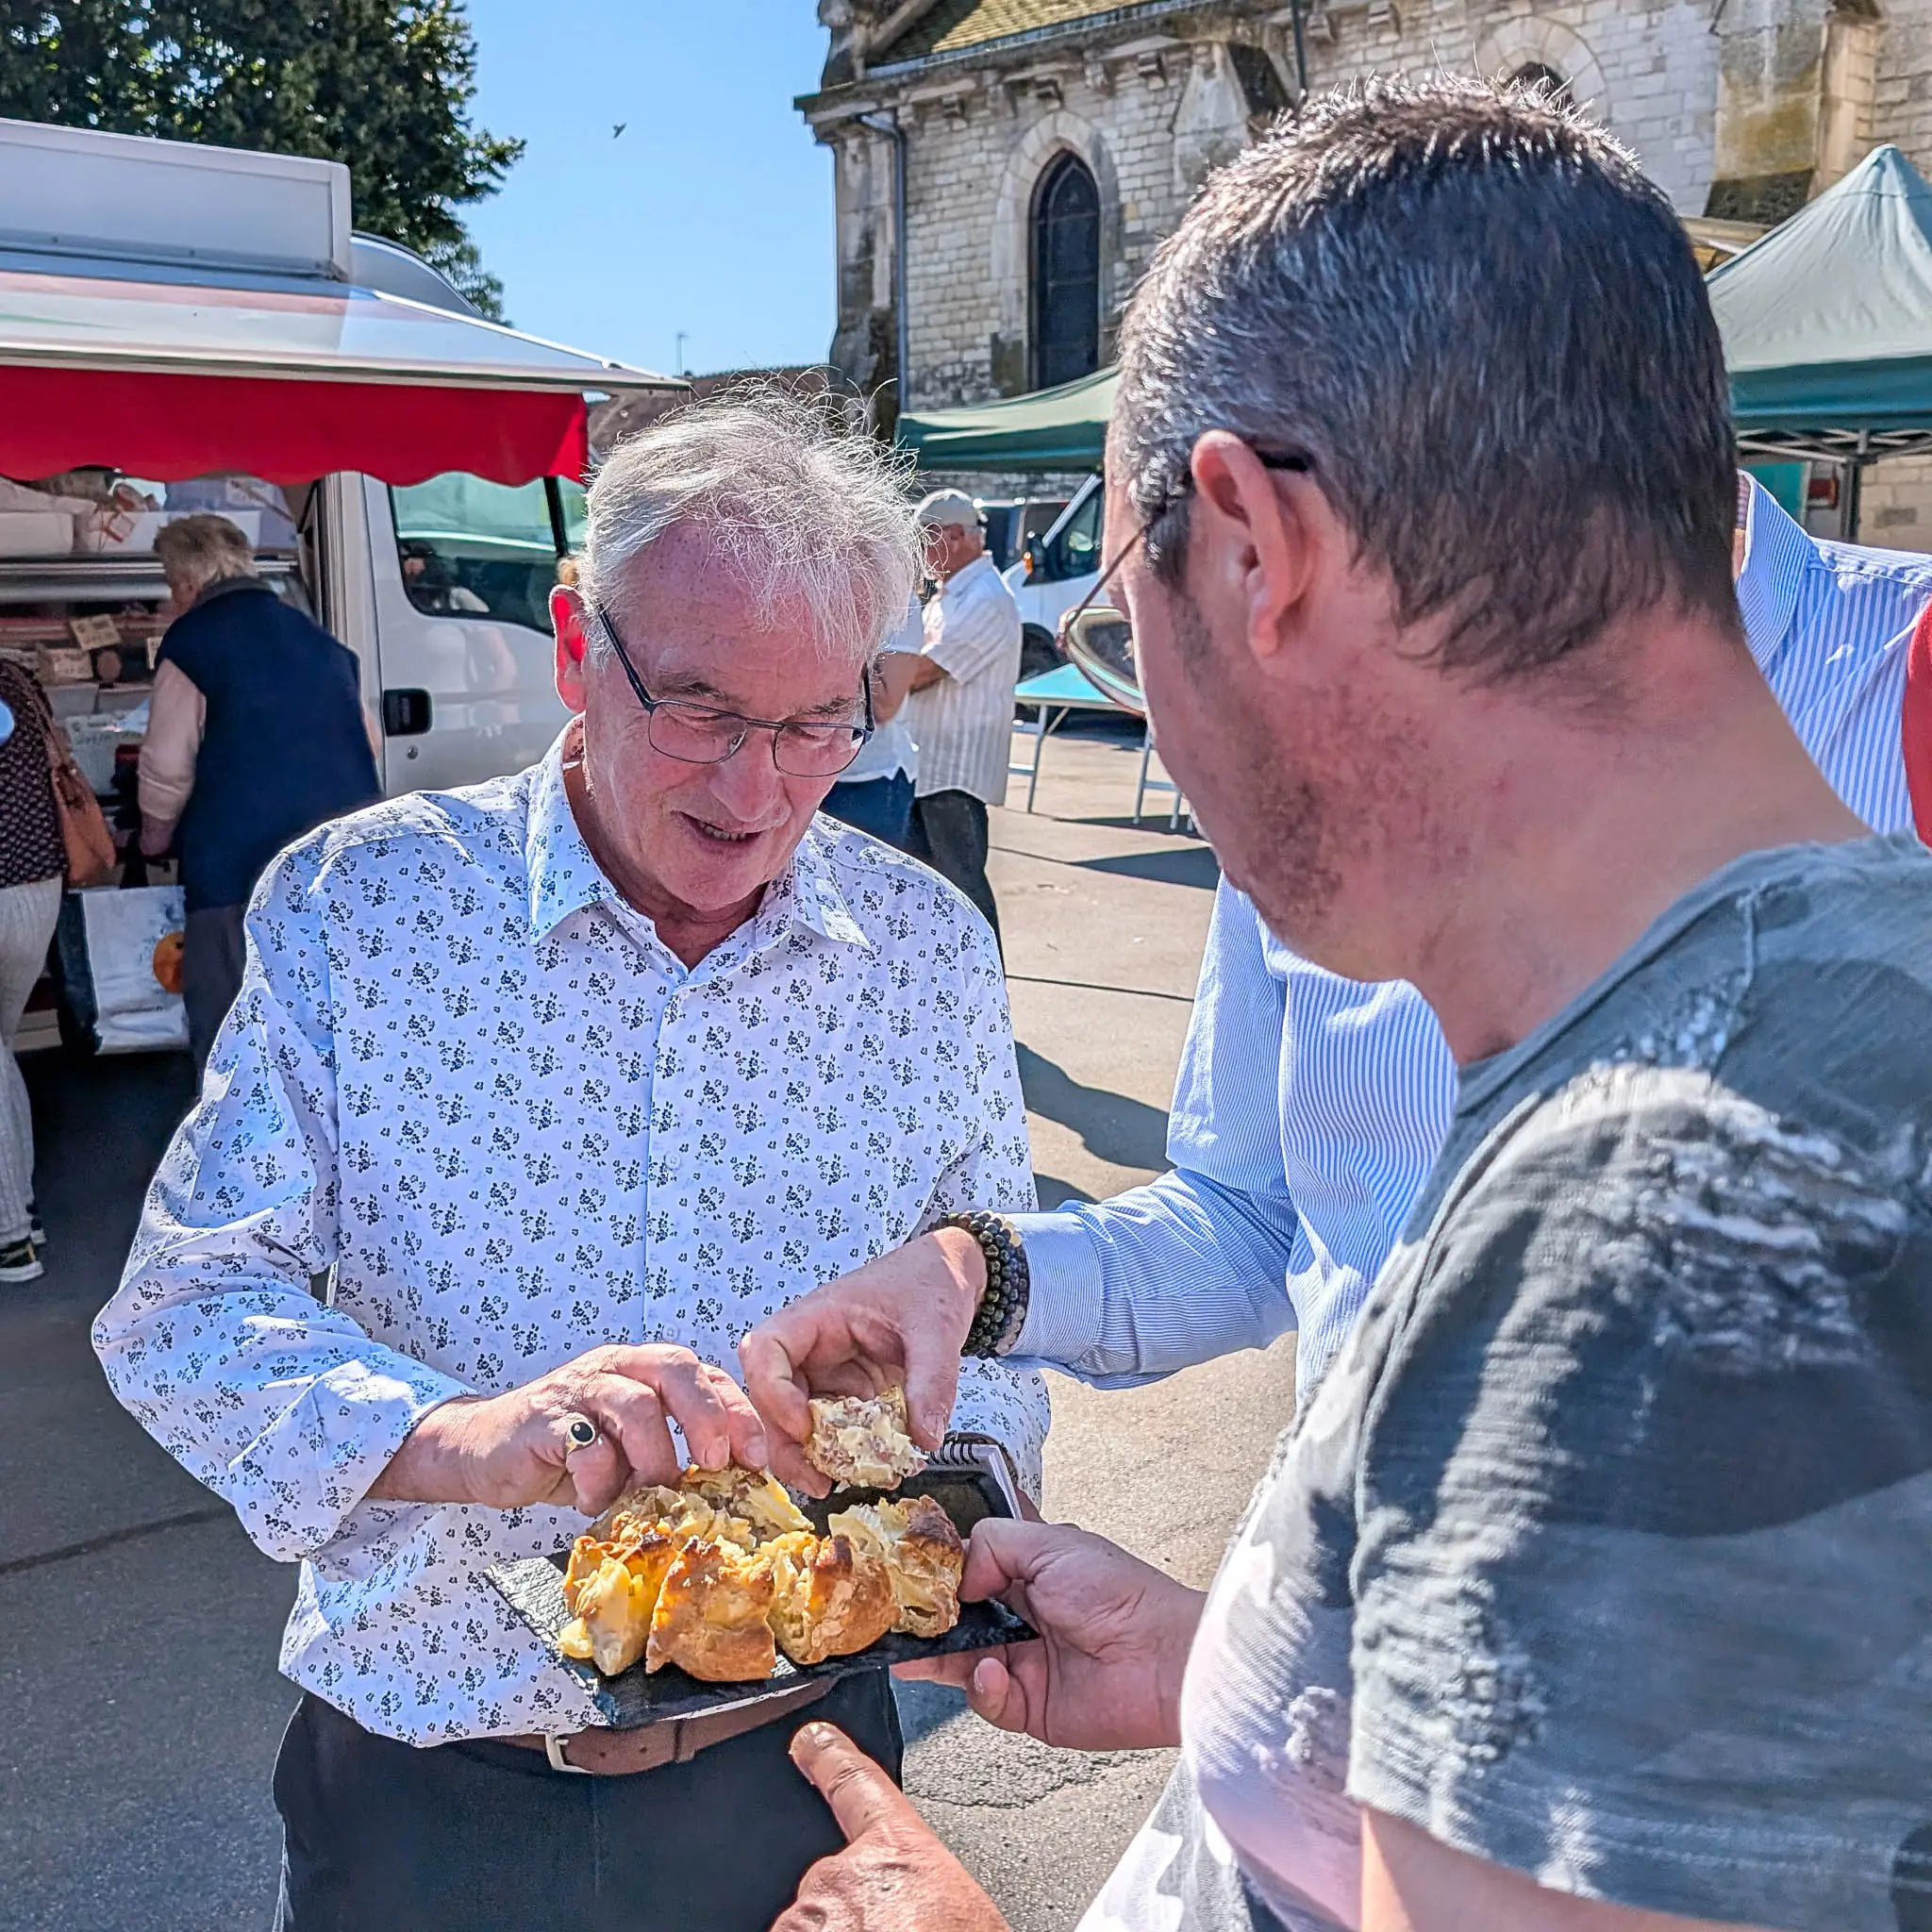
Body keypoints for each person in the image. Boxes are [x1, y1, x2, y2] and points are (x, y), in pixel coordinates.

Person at [753, 80, 1932, 1932]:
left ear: (1247, 544)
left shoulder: (1639, 1241)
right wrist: (1236, 1666)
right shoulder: (1808, 1008)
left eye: (1125, 624)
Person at [92, 392, 1047, 1932]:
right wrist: (449, 1433)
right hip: (425, 1767)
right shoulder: (363, 908)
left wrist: (938, 1507)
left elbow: (998, 1310)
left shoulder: (925, 952)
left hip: (796, 1763)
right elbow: (185, 1313)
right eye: (698, 709)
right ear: (568, 645)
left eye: (816, 722)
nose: (757, 793)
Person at [139, 513, 380, 1073]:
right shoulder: (319, 640)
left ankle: (237, 1152)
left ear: (186, 583)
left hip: (236, 872)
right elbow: (366, 742)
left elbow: (165, 770)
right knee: (324, 1029)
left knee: (235, 1031)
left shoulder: (192, 642)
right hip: (338, 863)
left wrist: (153, 840)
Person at [891, 490, 1023, 949]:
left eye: (926, 540)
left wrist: (875, 674)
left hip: (954, 771)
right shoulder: (952, 595)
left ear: (957, 536)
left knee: (961, 889)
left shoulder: (985, 597)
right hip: (931, 766)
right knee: (926, 892)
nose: (922, 553)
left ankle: (988, 996)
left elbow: (922, 672)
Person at [0, 656, 63, 1283]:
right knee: (1, 1047)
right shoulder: (17, 676)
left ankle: (9, 1239)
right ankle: (21, 1204)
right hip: (35, 887)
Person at [821, 591, 923, 847]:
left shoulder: (900, 601)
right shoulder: (805, 584)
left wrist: (843, 634)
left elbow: (886, 705)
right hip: (802, 771)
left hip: (869, 783)